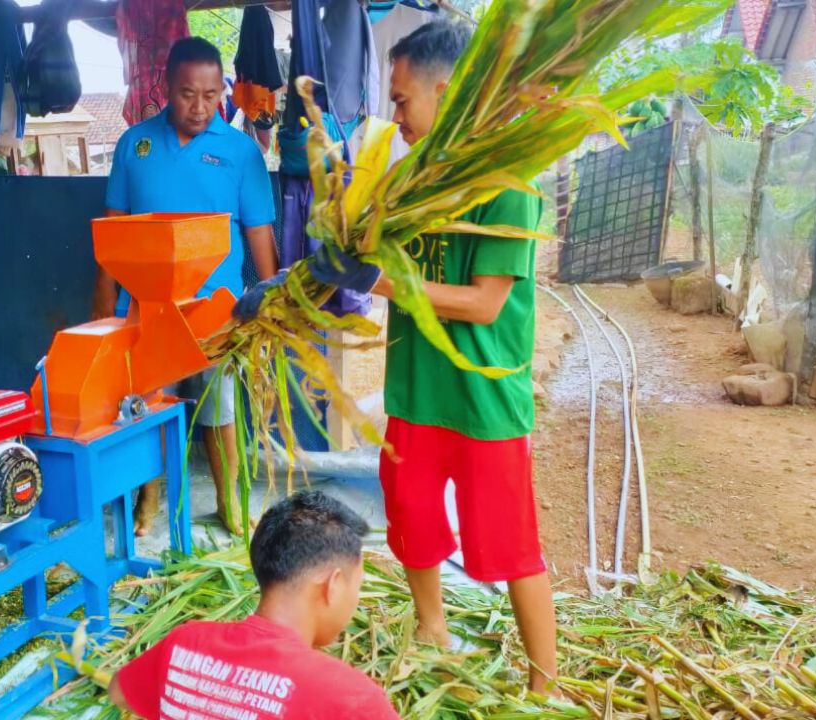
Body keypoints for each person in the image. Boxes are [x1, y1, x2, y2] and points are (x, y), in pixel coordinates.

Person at [238, 20, 558, 694]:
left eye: (403, 100)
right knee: (410, 514)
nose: (396, 115)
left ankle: (543, 684)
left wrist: (379, 281)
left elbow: (483, 305)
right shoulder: (410, 177)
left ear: (448, 91)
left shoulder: (509, 181)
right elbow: (359, 259)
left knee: (510, 543)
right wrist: (282, 288)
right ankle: (431, 626)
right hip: (414, 389)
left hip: (483, 401)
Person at [94, 37, 280, 537]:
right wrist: (104, 315)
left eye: (209, 94)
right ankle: (147, 502)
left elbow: (259, 236)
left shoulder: (241, 152)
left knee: (219, 412)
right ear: (165, 88)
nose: (199, 107)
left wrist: (272, 303)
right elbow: (112, 238)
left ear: (223, 90)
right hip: (147, 309)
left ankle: (229, 503)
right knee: (147, 408)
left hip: (216, 311)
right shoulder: (135, 145)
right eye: (186, 94)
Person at [107, 491, 401, 720]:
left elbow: (119, 691)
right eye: (357, 586)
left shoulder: (185, 643)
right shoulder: (352, 698)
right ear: (333, 585)